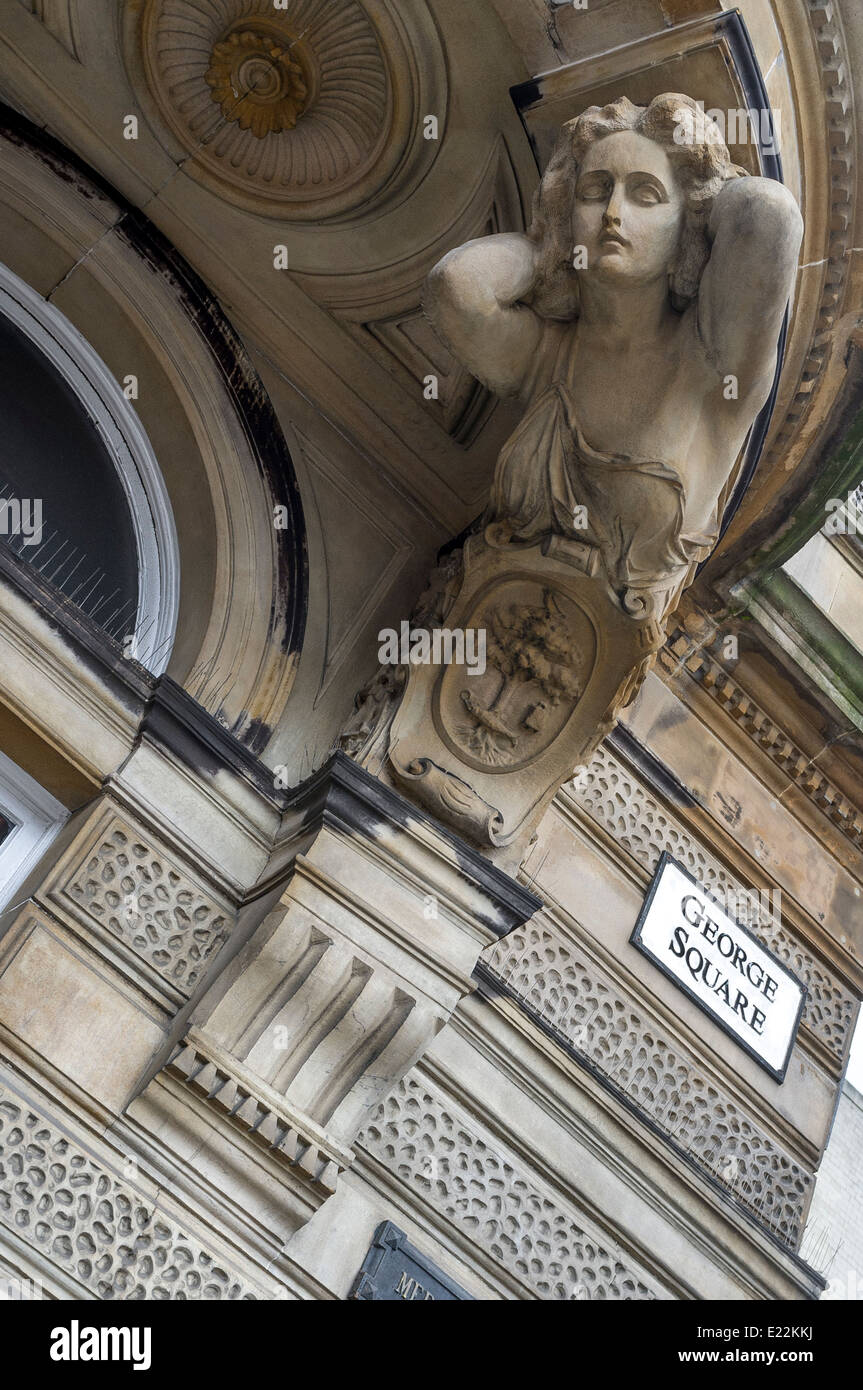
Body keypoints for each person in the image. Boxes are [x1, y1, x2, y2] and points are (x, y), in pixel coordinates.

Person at [424, 94, 803, 620]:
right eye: (594, 191)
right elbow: (456, 286)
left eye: (645, 195)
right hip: (479, 620)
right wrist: (549, 247)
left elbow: (768, 213)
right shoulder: (546, 354)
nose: (612, 214)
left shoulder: (713, 364)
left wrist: (699, 191)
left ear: (689, 222)